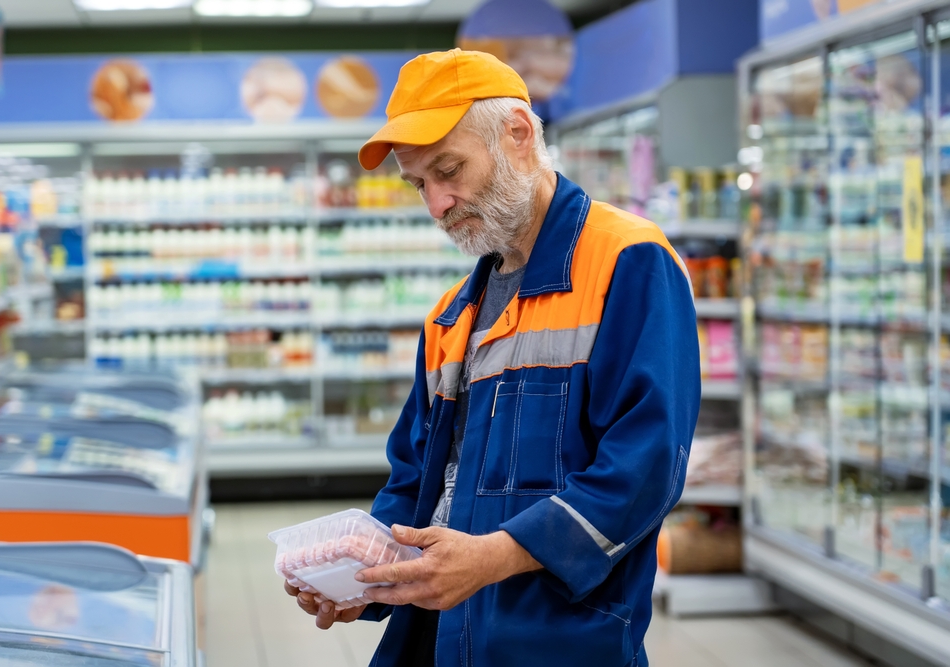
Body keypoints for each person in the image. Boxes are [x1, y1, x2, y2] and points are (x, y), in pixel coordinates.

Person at [285, 49, 700, 667]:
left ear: (519, 135)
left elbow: (645, 466)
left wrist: (496, 556)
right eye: (420, 183)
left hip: (559, 641)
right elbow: (415, 482)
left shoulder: (627, 261)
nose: (437, 204)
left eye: (449, 169)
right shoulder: (451, 316)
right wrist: (361, 575)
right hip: (436, 640)